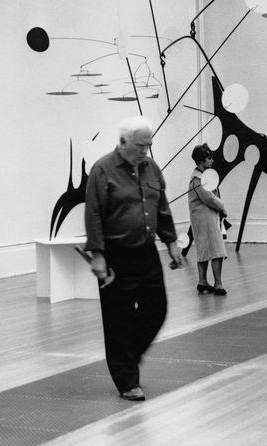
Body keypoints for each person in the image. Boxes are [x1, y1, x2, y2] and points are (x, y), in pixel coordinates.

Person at [84, 116, 184, 401]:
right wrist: (98, 254)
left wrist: (172, 243)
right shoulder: (102, 170)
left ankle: (128, 357)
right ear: (123, 142)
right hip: (116, 255)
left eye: (149, 145)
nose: (146, 151)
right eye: (141, 145)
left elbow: (161, 206)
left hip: (146, 251)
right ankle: (127, 381)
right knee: (119, 319)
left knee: (158, 308)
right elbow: (93, 214)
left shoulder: (151, 168)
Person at [188, 143, 228, 296]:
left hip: (203, 217)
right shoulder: (198, 180)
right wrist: (222, 207)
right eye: (209, 158)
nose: (212, 161)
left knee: (204, 249)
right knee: (216, 249)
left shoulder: (199, 177)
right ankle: (218, 283)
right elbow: (209, 198)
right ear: (201, 160)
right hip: (205, 217)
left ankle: (203, 281)